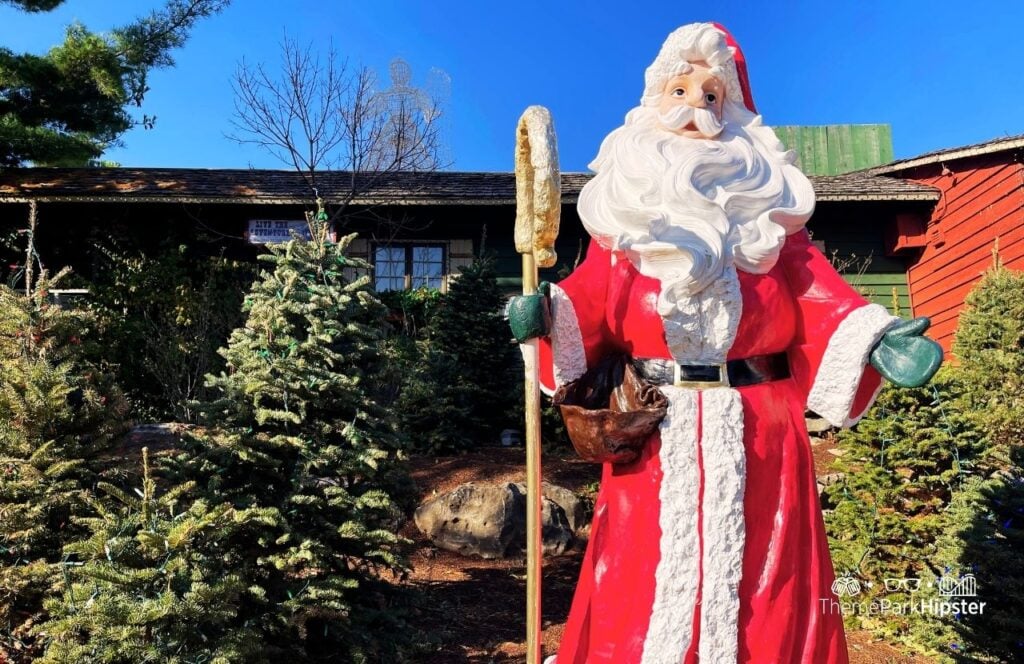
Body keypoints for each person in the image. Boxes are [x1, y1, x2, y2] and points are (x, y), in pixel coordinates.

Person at [509, 22, 942, 664]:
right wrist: (545, 315)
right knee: (644, 565)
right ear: (654, 103)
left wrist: (874, 337)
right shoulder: (626, 233)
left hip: (762, 430)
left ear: (734, 112)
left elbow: (823, 299)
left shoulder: (771, 232)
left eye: (712, 95)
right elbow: (587, 303)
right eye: (680, 89)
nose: (695, 107)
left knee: (767, 567)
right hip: (654, 426)